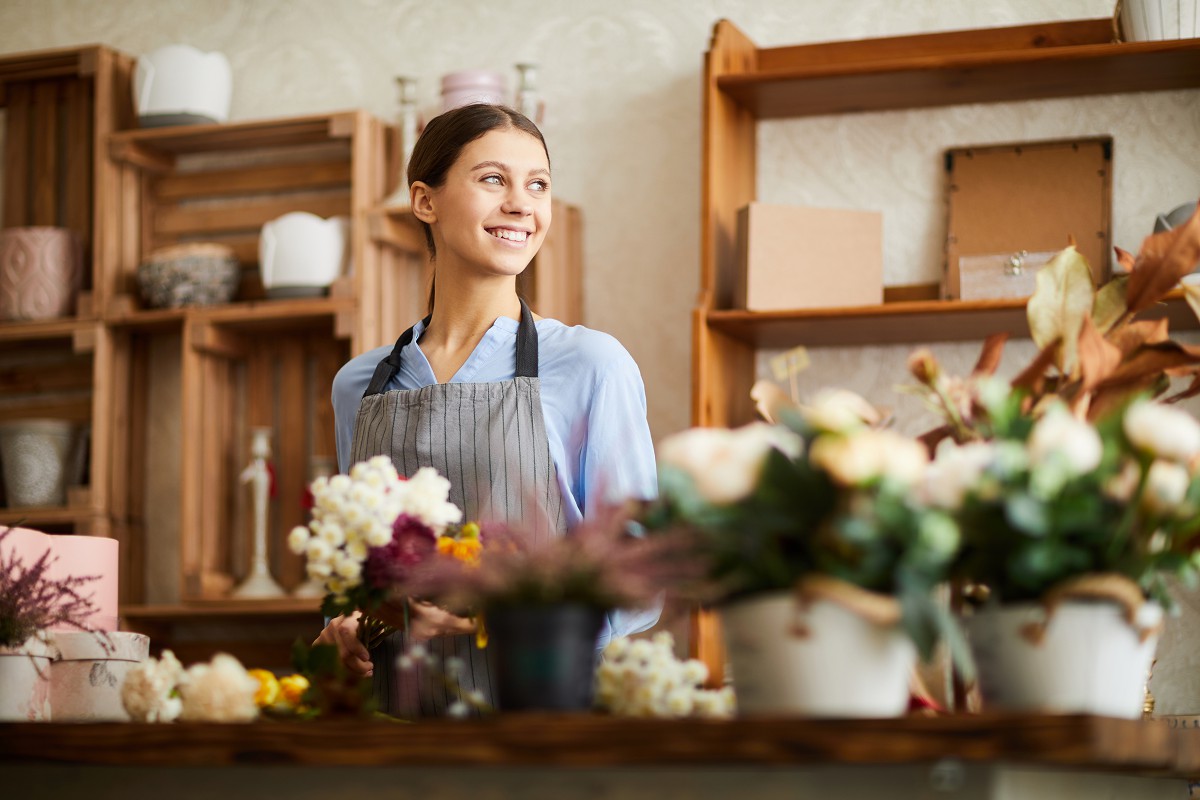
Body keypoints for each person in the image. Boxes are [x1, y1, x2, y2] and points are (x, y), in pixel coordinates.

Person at [318, 103, 659, 716]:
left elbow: (638, 575)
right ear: (424, 200)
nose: (522, 205)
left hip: (543, 719)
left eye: (538, 185)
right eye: (493, 179)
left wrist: (499, 617)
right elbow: (356, 570)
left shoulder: (590, 365)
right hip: (395, 723)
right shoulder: (359, 386)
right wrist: (349, 622)